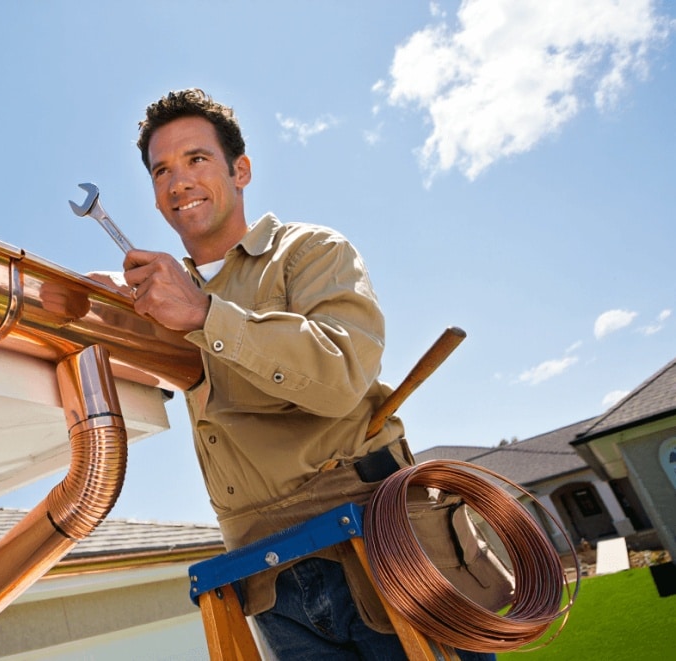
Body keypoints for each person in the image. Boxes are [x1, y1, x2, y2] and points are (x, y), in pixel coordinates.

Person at [115, 88, 495, 660]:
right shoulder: (168, 297)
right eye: (161, 170)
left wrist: (204, 316)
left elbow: (341, 373)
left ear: (240, 170)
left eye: (197, 159)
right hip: (270, 584)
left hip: (378, 545)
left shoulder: (310, 252)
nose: (178, 182)